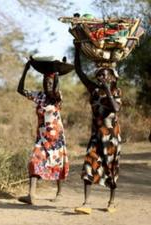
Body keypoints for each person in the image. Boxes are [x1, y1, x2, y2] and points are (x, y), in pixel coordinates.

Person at [73, 42, 122, 214]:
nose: (103, 78)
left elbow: (115, 108)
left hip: (111, 139)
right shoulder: (93, 90)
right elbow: (79, 71)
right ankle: (86, 203)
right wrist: (78, 50)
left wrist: (108, 89)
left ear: (113, 77)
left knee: (111, 168)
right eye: (100, 75)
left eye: (106, 75)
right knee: (89, 165)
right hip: (96, 137)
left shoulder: (116, 91)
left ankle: (112, 202)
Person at [17, 57, 70, 205]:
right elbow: (20, 90)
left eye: (50, 83)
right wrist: (25, 70)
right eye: (46, 82)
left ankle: (59, 193)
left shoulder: (57, 98)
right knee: (34, 161)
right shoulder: (39, 96)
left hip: (56, 138)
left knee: (58, 162)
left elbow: (55, 90)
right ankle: (31, 195)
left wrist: (57, 73)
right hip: (41, 138)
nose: (48, 85)